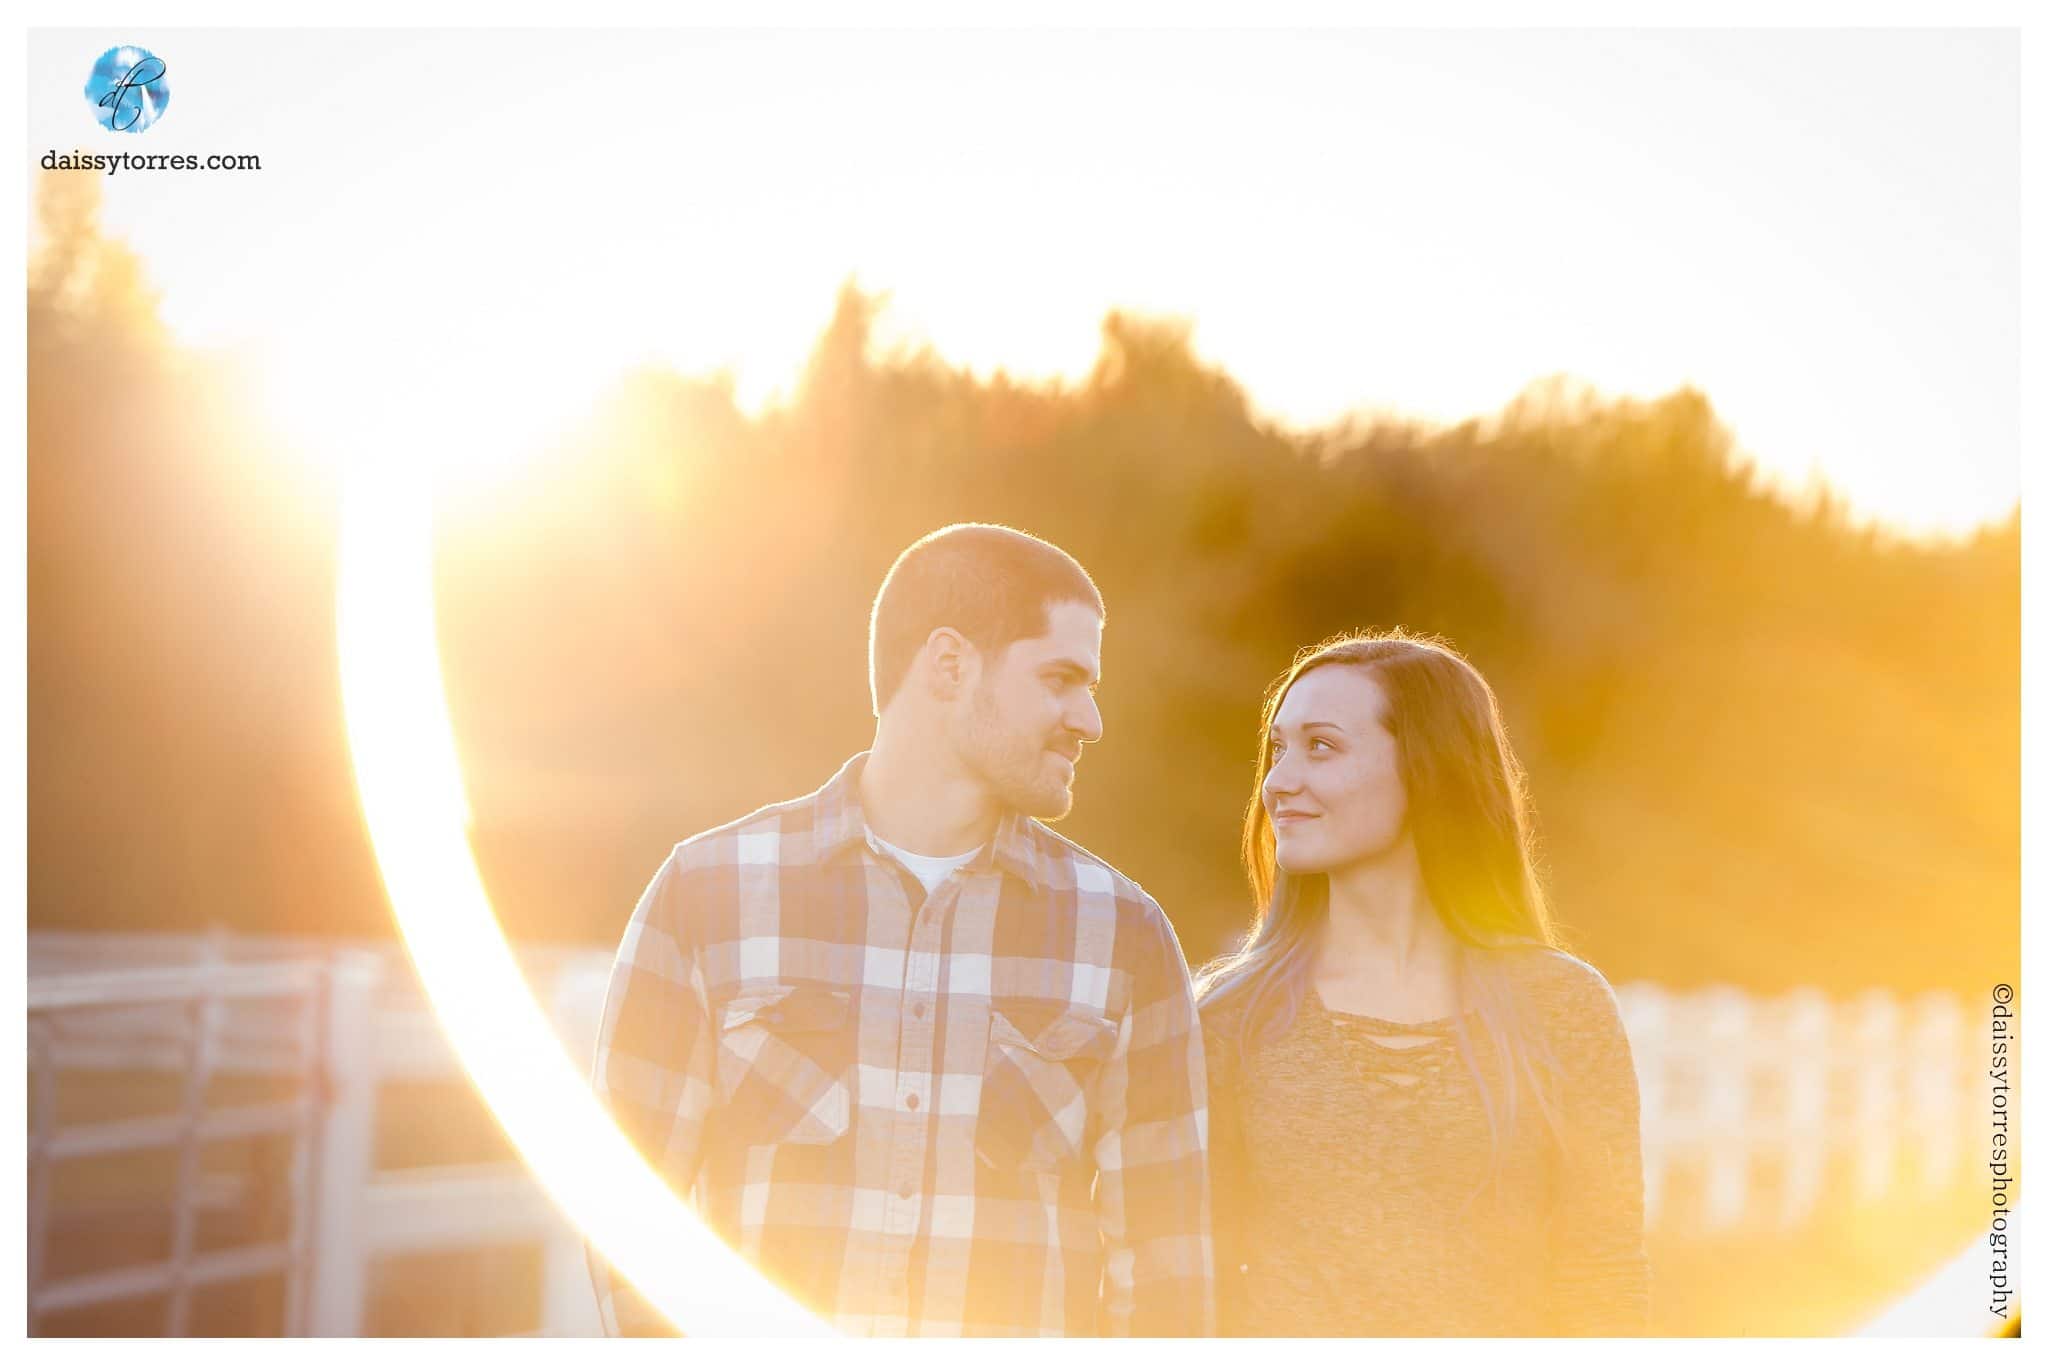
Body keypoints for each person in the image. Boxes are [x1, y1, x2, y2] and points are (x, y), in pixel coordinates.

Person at [587, 522, 1212, 1337]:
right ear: (950, 664)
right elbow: (631, 1223)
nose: (1089, 718)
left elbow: (1166, 1276)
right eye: (1061, 678)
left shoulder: (1127, 935)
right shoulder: (705, 895)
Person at [1196, 629, 1649, 1336]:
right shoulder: (1227, 1019)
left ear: (1428, 767)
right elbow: (1195, 1286)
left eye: (1321, 746)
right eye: (1278, 749)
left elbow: (1604, 1279)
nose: (1280, 781)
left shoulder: (1565, 1007)